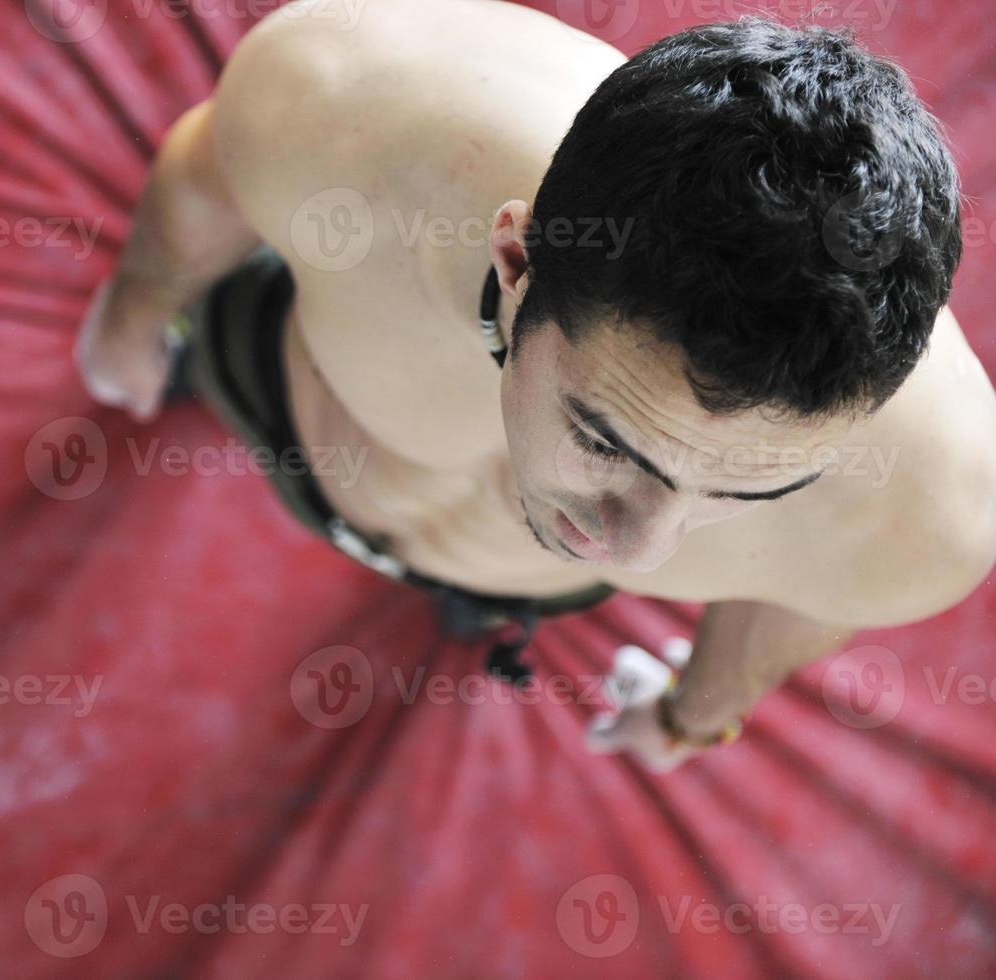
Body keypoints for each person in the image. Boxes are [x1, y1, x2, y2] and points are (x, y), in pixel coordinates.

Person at [75, 0, 996, 769]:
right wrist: (134, 314)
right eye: (603, 437)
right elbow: (206, 178)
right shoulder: (349, 109)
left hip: (498, 580)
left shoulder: (927, 514)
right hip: (282, 388)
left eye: (748, 489)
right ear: (516, 260)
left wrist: (692, 714)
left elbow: (814, 593)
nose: (638, 553)